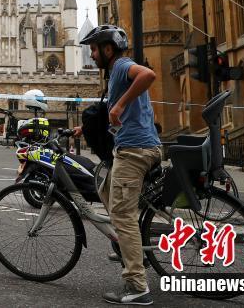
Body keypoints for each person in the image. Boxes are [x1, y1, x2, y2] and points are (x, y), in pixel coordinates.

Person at [74, 24, 160, 306]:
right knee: (104, 187)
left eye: (94, 49)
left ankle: (137, 287)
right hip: (136, 146)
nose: (91, 55)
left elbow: (148, 74)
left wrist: (120, 105)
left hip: (134, 152)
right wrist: (80, 128)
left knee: (123, 216)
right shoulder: (116, 74)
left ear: (108, 49)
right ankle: (130, 244)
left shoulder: (123, 66)